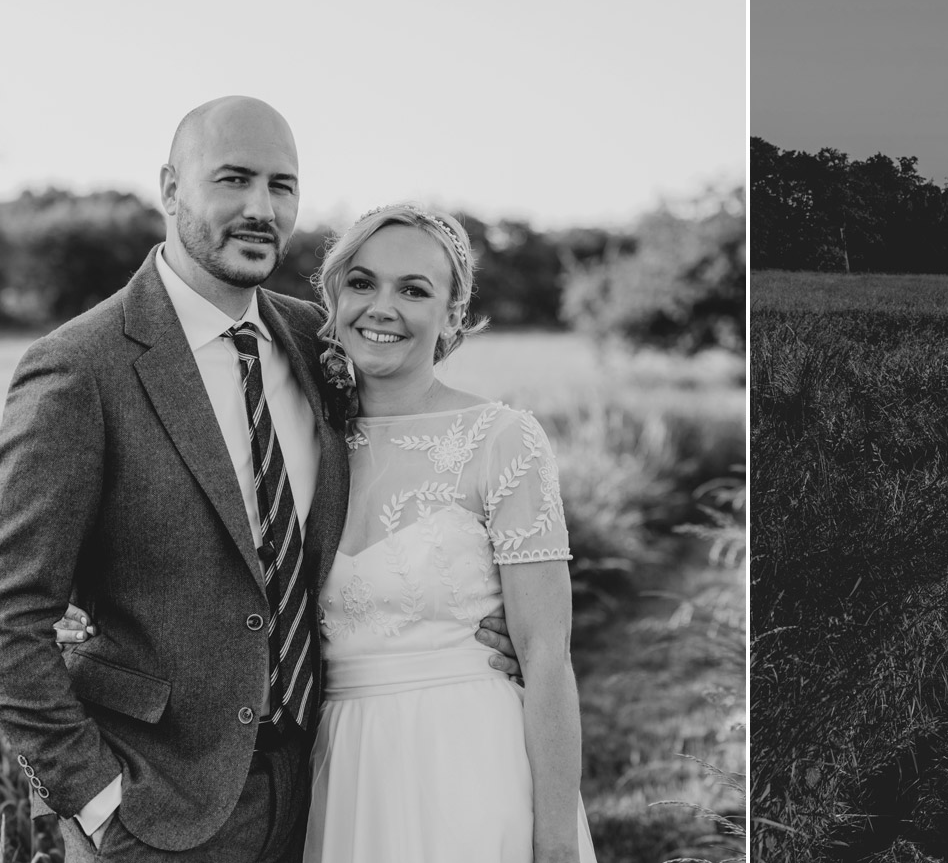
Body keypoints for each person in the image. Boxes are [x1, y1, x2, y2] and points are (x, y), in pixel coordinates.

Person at [0, 97, 515, 862]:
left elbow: (411, 472)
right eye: (233, 179)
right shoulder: (81, 368)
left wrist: (484, 622)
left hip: (330, 784)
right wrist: (99, 802)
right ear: (171, 189)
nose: (260, 207)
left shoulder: (318, 341)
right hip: (162, 807)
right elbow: (12, 614)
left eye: (282, 185)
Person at [296, 203, 595, 862]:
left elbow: (547, 654)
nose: (382, 307)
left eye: (414, 289)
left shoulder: (501, 440)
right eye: (362, 282)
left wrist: (555, 843)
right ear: (335, 296)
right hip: (339, 769)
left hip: (470, 763)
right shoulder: (303, 442)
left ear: (453, 315)